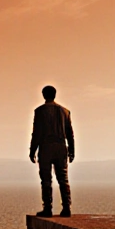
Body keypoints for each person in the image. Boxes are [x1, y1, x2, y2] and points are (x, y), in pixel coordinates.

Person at [29, 85, 74, 217]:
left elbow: (36, 133)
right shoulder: (65, 111)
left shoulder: (40, 111)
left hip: (46, 148)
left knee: (46, 180)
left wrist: (32, 151)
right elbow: (70, 133)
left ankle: (47, 208)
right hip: (61, 147)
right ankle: (66, 207)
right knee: (63, 179)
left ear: (44, 95)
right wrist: (72, 150)